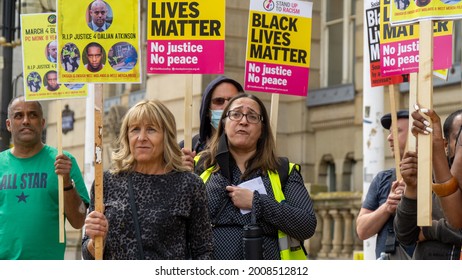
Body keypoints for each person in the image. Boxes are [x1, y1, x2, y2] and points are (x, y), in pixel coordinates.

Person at [82, 99, 213, 260]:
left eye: (151, 130)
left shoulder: (189, 184)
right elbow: (88, 254)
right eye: (135, 130)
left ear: (166, 136)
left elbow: (203, 251)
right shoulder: (106, 182)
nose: (141, 137)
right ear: (127, 136)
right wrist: (95, 240)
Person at [194, 93, 316, 259]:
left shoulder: (283, 171)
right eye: (236, 114)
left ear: (262, 129)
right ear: (224, 123)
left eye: (252, 116)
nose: (243, 121)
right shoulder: (199, 167)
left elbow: (306, 225)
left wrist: (257, 203)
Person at [0, 96, 89, 259]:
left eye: (33, 115)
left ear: (42, 123)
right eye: (19, 116)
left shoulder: (63, 161)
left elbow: (79, 221)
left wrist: (67, 182)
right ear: (8, 124)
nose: (26, 121)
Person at [394, 106, 462, 259]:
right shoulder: (427, 174)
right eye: (459, 138)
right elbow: (406, 235)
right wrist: (411, 188)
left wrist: (427, 230)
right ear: (445, 145)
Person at [356, 110, 415, 260]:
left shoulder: (436, 179)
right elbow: (362, 230)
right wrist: (387, 207)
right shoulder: (383, 179)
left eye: (397, 131)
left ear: (415, 136)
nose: (389, 138)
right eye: (389, 133)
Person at [180, 76, 244, 170]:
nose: (226, 107)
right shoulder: (188, 147)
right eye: (219, 101)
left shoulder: (256, 150)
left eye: (232, 101)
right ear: (207, 109)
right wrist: (177, 173)